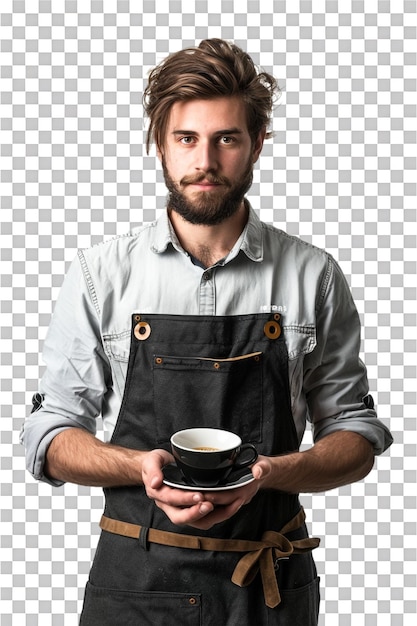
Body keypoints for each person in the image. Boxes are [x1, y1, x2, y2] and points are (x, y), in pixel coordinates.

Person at [21, 38, 393, 625]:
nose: (206, 162)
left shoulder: (313, 276)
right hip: (135, 585)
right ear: (159, 145)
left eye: (227, 138)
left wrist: (272, 472)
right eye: (186, 139)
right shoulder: (101, 276)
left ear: (256, 146)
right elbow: (50, 434)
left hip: (267, 588)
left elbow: (353, 435)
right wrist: (139, 466)